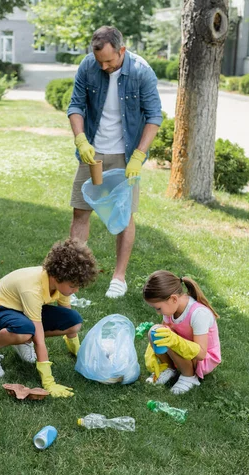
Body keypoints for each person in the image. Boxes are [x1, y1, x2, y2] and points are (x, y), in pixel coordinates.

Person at [67, 26, 162, 298]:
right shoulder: (89, 65)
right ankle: (72, 279)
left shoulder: (142, 71)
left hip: (126, 156)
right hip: (92, 153)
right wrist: (81, 140)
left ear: (122, 50)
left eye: (109, 61)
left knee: (123, 216)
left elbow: (154, 116)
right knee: (80, 211)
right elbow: (75, 106)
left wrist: (139, 155)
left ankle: (119, 278)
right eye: (100, 61)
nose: (104, 66)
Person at [0, 239, 98, 397]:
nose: (76, 290)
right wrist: (48, 382)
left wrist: (80, 353)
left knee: (74, 321)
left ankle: (22, 342)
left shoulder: (61, 286)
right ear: (56, 276)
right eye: (72, 285)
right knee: (26, 331)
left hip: (20, 311)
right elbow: (39, 338)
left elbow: (67, 317)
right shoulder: (32, 289)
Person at [143, 270, 221, 395]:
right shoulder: (171, 308)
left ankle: (189, 377)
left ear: (173, 299)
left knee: (169, 339)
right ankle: (168, 368)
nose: (158, 312)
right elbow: (165, 332)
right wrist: (153, 348)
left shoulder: (199, 314)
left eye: (158, 308)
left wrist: (175, 341)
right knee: (157, 331)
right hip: (185, 349)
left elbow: (201, 353)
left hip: (203, 360)